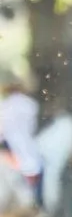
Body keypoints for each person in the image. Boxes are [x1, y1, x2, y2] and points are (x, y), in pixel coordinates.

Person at [0, 75, 43, 208]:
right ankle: (38, 204)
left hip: (11, 150)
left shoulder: (4, 106)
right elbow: (33, 128)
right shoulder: (30, 104)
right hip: (29, 150)